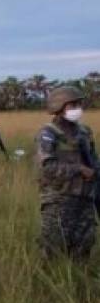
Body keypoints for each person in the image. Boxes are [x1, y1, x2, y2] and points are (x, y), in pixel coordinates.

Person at [36, 85, 98, 259]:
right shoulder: (48, 134)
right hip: (59, 199)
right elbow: (47, 167)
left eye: (79, 104)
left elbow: (94, 164)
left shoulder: (85, 132)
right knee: (54, 248)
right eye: (72, 105)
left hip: (85, 198)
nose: (78, 109)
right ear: (58, 107)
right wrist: (78, 169)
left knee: (84, 245)